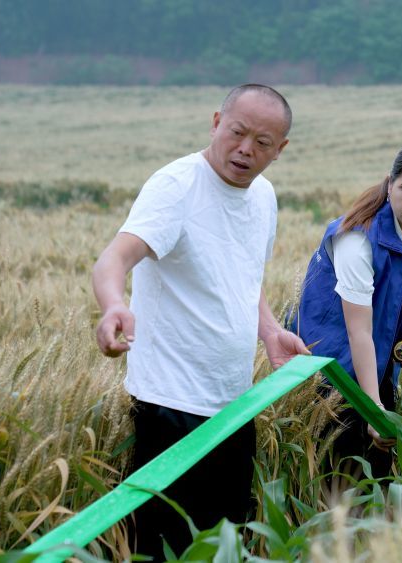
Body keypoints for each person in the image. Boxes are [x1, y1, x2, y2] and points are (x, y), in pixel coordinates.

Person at [92, 84, 309, 559]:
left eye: (263, 142)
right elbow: (113, 259)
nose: (246, 149)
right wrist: (113, 304)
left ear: (281, 150)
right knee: (164, 546)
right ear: (216, 122)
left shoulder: (264, 196)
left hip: (233, 403)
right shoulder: (177, 187)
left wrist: (270, 331)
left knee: (222, 544)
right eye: (237, 132)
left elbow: (243, 278)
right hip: (170, 405)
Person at [288, 143, 402, 479]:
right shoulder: (358, 241)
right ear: (390, 184)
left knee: (377, 470)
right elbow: (357, 332)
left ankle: (373, 529)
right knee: (339, 467)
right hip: (332, 362)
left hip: (375, 355)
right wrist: (373, 408)